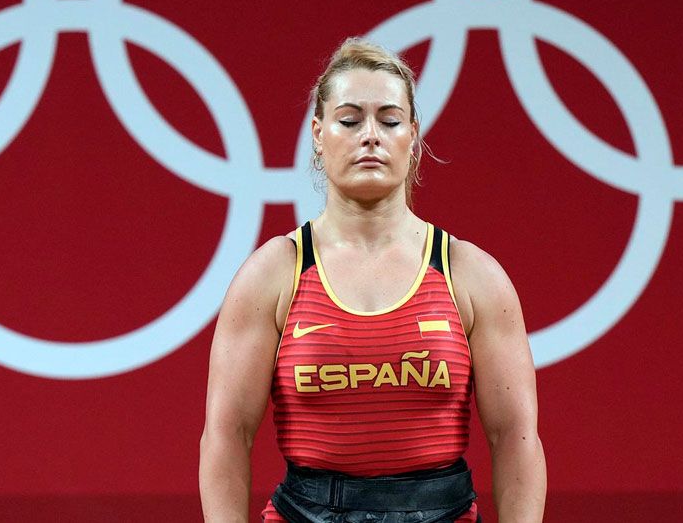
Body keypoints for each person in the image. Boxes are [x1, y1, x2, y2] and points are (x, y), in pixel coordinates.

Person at [199, 38, 546, 522]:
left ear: (413, 135)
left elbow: (516, 436)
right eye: (349, 120)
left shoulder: (470, 275)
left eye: (388, 120)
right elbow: (226, 433)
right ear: (318, 134)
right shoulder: (273, 274)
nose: (370, 136)